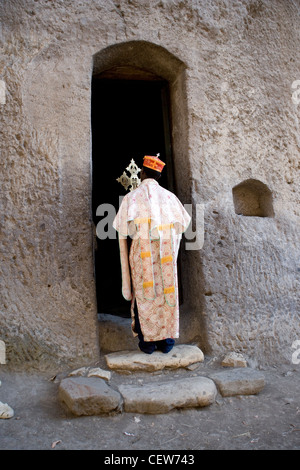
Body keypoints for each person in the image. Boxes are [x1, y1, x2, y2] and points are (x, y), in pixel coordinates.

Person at [113, 155, 191, 354]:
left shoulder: (132, 197)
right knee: (166, 293)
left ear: (143, 173)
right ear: (158, 176)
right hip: (166, 256)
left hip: (142, 255)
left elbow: (124, 229)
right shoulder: (170, 198)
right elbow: (183, 224)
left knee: (144, 293)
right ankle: (166, 343)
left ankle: (147, 344)